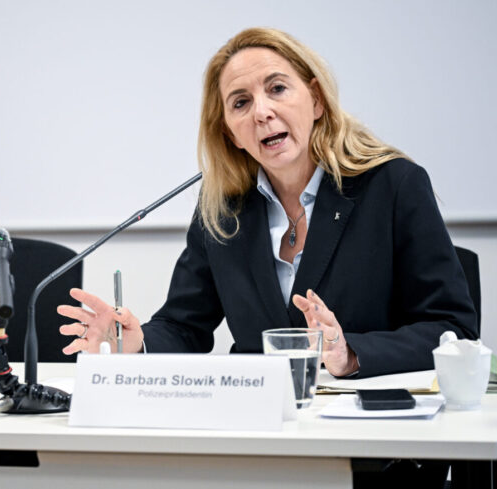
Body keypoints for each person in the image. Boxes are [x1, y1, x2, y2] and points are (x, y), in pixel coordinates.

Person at [57, 28, 478, 379]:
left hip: (373, 432)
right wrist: (136, 342)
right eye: (241, 102)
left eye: (277, 89)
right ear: (231, 134)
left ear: (315, 100)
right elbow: (185, 326)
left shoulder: (393, 186)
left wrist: (350, 353)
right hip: (256, 428)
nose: (262, 112)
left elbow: (452, 329)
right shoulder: (223, 210)